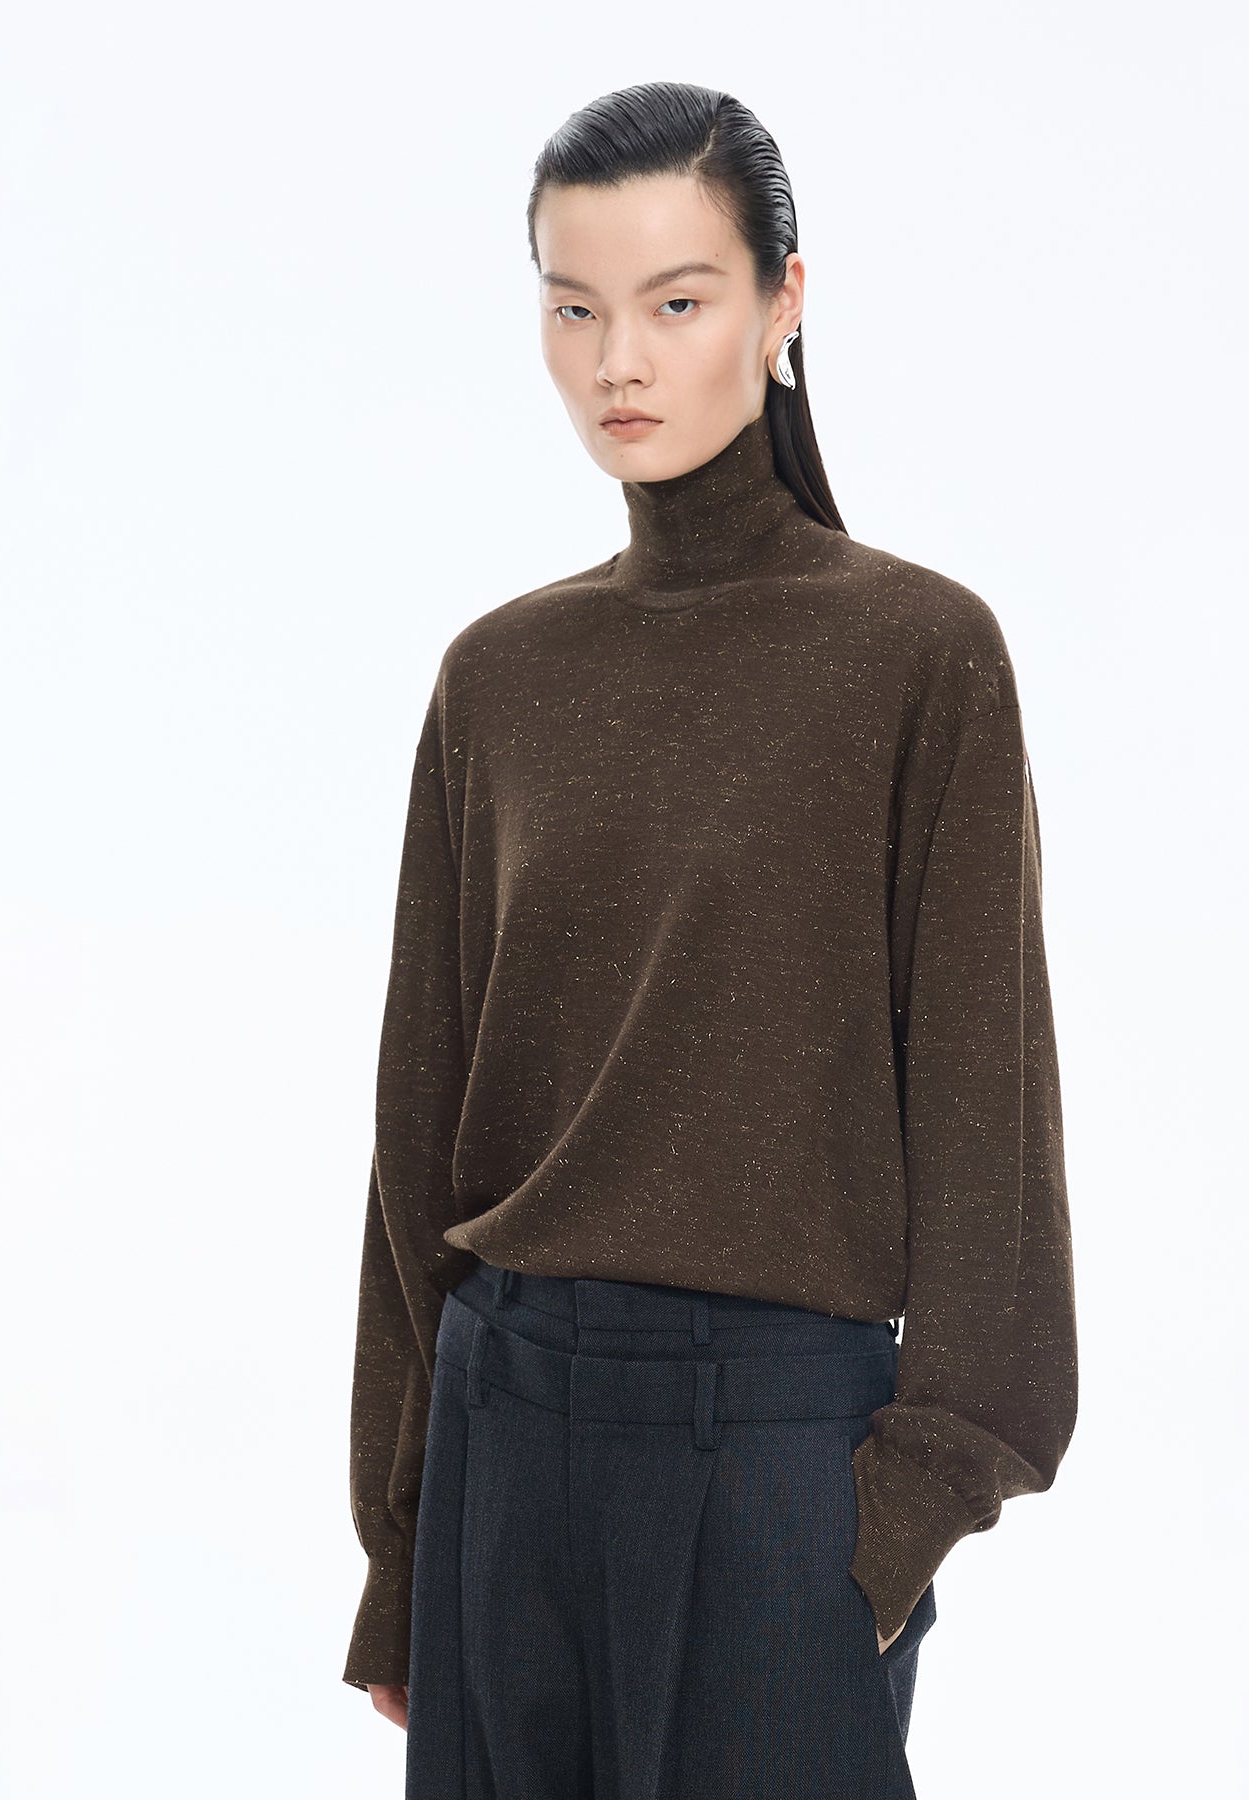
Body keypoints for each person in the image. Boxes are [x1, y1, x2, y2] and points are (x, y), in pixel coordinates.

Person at [341, 80, 1078, 1799]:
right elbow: (415, 1138)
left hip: (775, 1465)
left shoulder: (919, 655)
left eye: (676, 302)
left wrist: (900, 1513)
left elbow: (990, 1123)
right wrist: (403, 1542)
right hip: (504, 1438)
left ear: (783, 300)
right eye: (574, 307)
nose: (620, 361)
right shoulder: (498, 677)